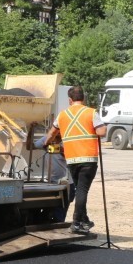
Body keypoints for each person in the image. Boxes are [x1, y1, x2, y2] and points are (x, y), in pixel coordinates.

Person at [50, 86, 106, 234]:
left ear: (70, 100)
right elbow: (102, 131)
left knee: (80, 189)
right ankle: (76, 222)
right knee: (82, 190)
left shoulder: (62, 115)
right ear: (84, 98)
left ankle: (84, 220)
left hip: (72, 159)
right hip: (88, 158)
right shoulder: (91, 112)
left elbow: (52, 133)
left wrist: (45, 142)